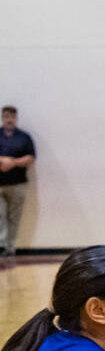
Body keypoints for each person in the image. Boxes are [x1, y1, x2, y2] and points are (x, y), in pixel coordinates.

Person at [0, 106, 37, 256]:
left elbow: (31, 158)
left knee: (14, 217)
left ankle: (10, 247)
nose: (9, 119)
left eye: (12, 117)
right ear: (2, 117)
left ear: (16, 118)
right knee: (0, 215)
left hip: (18, 184)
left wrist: (13, 162)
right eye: (6, 116)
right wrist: (3, 159)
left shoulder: (24, 137)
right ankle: (1, 245)